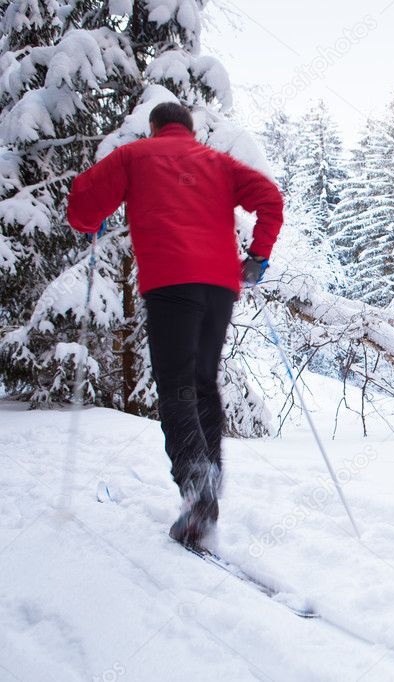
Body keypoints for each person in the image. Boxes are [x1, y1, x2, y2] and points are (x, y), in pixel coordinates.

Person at [66, 102, 284, 548]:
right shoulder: (217, 163)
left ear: (155, 128)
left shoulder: (135, 156)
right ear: (189, 129)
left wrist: (91, 221)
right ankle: (207, 485)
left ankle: (197, 487)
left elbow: (83, 200)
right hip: (220, 287)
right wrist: (257, 257)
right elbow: (270, 199)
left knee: (177, 385)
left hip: (170, 283)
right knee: (203, 382)